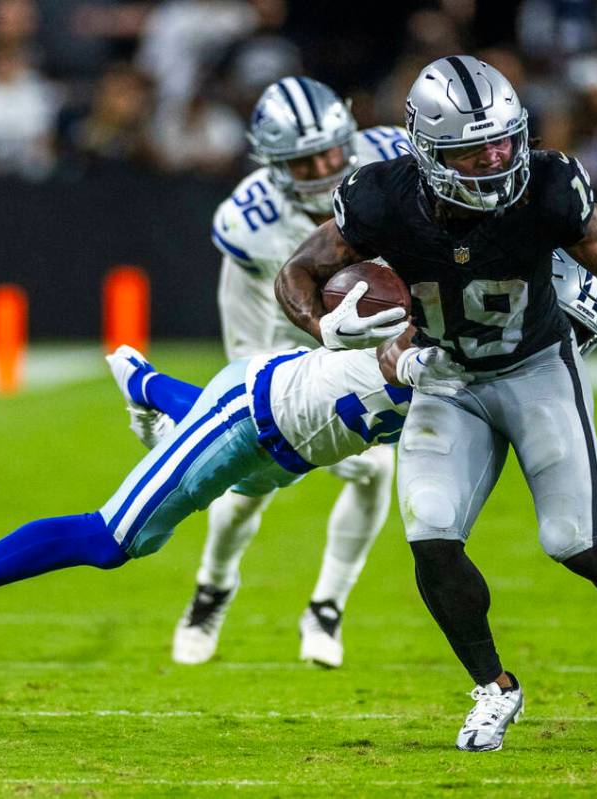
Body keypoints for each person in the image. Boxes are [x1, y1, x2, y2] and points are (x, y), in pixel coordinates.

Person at [273, 55, 597, 752]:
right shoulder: (379, 197)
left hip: (536, 368)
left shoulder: (547, 184)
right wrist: (322, 326)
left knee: (574, 542)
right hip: (446, 376)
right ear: (426, 150)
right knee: (430, 531)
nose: (494, 158)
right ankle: (493, 686)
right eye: (471, 148)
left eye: (502, 139)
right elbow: (299, 271)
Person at [0, 330, 447, 687]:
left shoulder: (501, 337)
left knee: (242, 485)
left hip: (294, 450)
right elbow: (323, 287)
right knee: (112, 540)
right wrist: (341, 323)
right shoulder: (420, 290)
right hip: (254, 411)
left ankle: (145, 384)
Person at [156, 77, 414, 669]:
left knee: (376, 467)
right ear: (273, 164)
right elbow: (247, 334)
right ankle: (213, 589)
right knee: (244, 481)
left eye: (330, 150)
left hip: (372, 337)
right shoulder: (251, 220)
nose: (324, 168)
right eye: (304, 161)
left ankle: (326, 607)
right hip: (281, 339)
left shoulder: (395, 159)